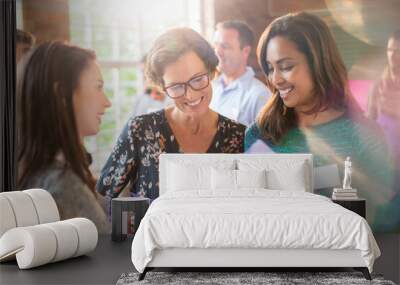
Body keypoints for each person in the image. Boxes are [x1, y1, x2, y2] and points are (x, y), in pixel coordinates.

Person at [245, 12, 396, 232]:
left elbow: (381, 223)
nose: (275, 79)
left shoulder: (365, 135)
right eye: (270, 68)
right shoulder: (260, 133)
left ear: (318, 63)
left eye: (286, 66)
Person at [97, 28, 245, 202]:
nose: (190, 95)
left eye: (197, 79)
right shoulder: (140, 130)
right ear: (162, 87)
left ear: (211, 71)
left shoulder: (238, 136)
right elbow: (104, 196)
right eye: (176, 86)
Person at [17, 41, 112, 233]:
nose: (107, 102)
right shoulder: (62, 186)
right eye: (98, 87)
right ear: (61, 93)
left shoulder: (44, 174)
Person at [210, 20, 271, 126]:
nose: (217, 52)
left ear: (245, 51)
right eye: (215, 45)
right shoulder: (210, 87)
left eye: (225, 46)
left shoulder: (260, 96)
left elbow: (265, 141)